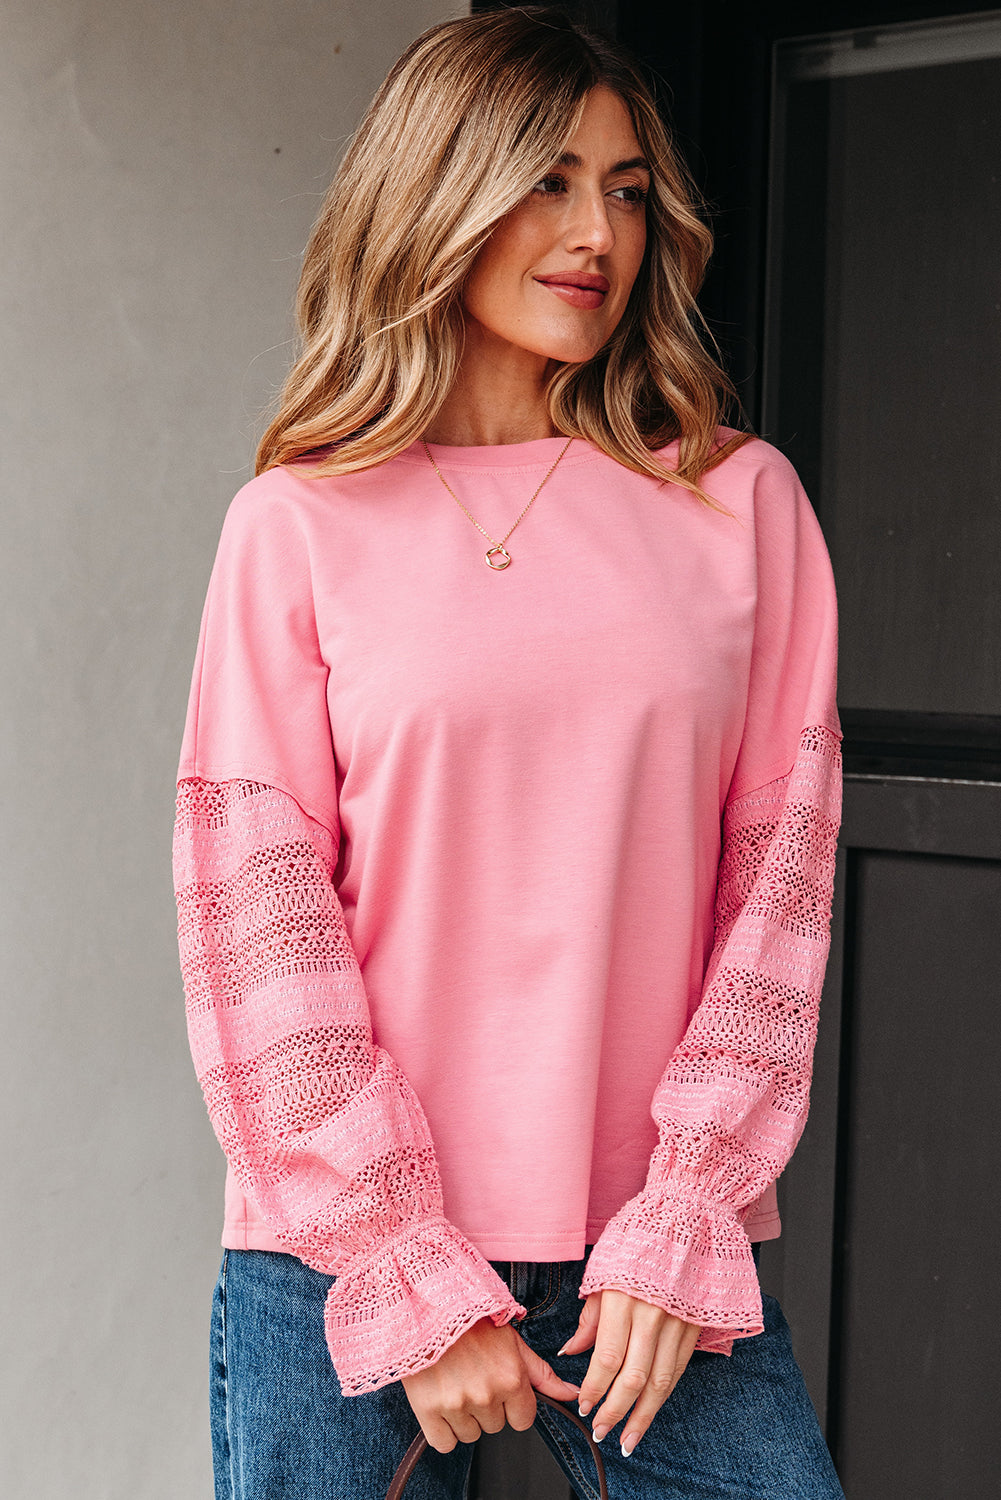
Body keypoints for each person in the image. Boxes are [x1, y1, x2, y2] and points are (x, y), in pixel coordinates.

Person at [173, 8, 845, 1497]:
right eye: (548, 180)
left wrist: (681, 1219)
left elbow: (779, 897)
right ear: (437, 193)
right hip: (345, 1261)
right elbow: (257, 919)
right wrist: (405, 1266)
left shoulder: (739, 508)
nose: (598, 232)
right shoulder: (297, 525)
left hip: (654, 1258)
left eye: (625, 190)